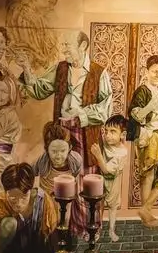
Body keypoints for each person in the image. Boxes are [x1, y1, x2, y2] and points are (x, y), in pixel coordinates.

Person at [17, 30, 113, 176]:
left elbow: (106, 108)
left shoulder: (99, 73)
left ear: (83, 45)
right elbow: (40, 90)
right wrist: (26, 68)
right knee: (61, 173)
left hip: (85, 133)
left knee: (84, 174)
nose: (63, 49)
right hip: (61, 131)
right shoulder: (60, 68)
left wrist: (81, 117)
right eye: (62, 45)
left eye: (67, 45)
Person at [126, 55, 158, 228]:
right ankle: (146, 216)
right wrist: (149, 107)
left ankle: (145, 209)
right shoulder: (142, 91)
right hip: (148, 135)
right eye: (154, 71)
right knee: (148, 173)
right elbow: (136, 115)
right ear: (146, 72)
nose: (157, 75)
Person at [32, 122, 85, 237]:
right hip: (47, 198)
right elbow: (32, 173)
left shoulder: (75, 160)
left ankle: (63, 239)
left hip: (65, 197)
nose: (58, 155)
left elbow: (76, 174)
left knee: (64, 219)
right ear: (47, 149)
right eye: (54, 151)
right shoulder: (42, 161)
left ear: (69, 148)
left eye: (62, 151)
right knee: (48, 222)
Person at [90, 114, 128, 242]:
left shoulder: (122, 153)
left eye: (113, 132)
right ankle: (96, 230)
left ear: (122, 135)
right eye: (106, 131)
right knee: (97, 205)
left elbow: (106, 171)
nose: (108, 135)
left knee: (112, 206)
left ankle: (111, 229)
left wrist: (98, 155)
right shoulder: (106, 141)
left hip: (112, 180)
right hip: (100, 179)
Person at [0, 74, 22, 190]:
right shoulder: (2, 111)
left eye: (3, 92)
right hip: (2, 158)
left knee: (0, 191)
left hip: (1, 161)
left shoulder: (6, 114)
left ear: (11, 94)